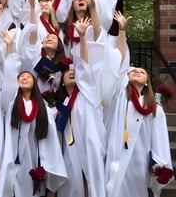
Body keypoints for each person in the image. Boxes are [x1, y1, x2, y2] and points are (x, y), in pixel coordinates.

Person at [103, 11, 173, 197]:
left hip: (139, 158)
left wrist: (161, 164)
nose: (137, 72)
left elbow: (159, 138)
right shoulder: (119, 96)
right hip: (115, 152)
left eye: (142, 72)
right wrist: (122, 29)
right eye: (133, 71)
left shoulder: (154, 108)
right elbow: (122, 60)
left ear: (147, 81)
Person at [0, 29, 67, 197]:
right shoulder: (10, 101)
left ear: (35, 82)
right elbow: (10, 74)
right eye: (22, 77)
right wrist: (10, 45)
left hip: (34, 155)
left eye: (28, 76)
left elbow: (49, 139)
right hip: (13, 154)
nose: (25, 78)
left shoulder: (43, 109)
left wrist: (49, 169)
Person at [55, 18, 106, 197]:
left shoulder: (87, 93)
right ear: (61, 82)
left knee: (91, 179)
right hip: (70, 148)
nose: (73, 74)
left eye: (75, 73)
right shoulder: (60, 107)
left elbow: (84, 64)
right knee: (73, 181)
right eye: (68, 73)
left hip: (90, 142)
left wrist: (83, 37)